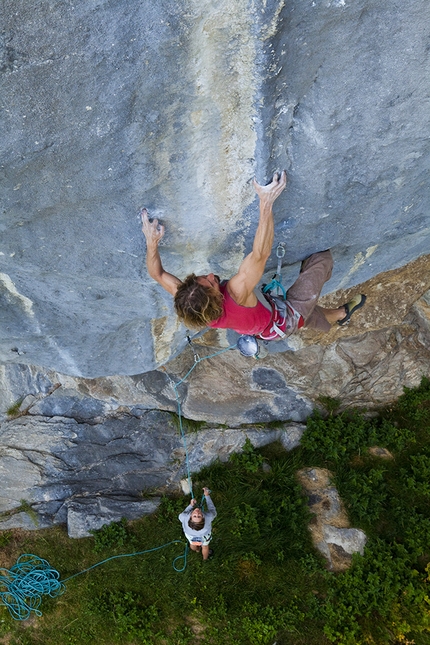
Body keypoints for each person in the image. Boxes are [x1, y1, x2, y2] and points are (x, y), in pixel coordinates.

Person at [141, 171, 366, 340]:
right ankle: (320, 311)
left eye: (203, 277)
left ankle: (340, 314)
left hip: (265, 328)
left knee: (309, 317)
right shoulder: (236, 292)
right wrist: (266, 202)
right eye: (210, 282)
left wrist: (152, 242)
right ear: (216, 299)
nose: (211, 275)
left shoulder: (195, 306)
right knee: (320, 262)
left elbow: (157, 273)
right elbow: (261, 254)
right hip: (284, 319)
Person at [178, 487, 216, 561]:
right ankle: (205, 559)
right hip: (204, 536)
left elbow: (183, 513)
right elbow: (212, 510)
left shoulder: (184, 517)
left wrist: (191, 505)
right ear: (203, 517)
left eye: (195, 516)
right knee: (205, 547)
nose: (197, 513)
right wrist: (207, 496)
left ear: (190, 517)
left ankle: (197, 550)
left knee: (192, 543)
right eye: (199, 516)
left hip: (190, 535)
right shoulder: (208, 517)